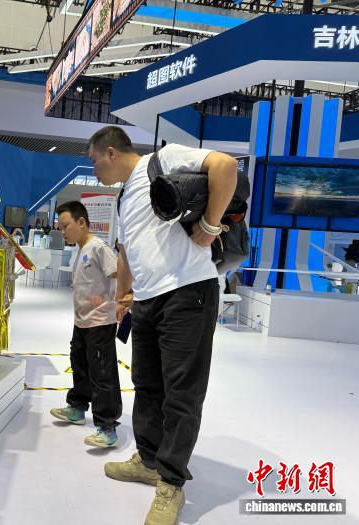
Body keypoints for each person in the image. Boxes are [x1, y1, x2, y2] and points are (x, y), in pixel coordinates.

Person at [88, 126, 237, 525]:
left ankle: (171, 483)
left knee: (182, 392)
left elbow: (225, 166)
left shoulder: (163, 160)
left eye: (95, 162)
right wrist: (123, 296)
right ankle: (149, 460)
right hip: (147, 299)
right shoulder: (124, 198)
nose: (96, 170)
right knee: (147, 383)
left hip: (188, 292)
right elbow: (126, 251)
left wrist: (210, 226)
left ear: (111, 153)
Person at [50, 201, 123, 448]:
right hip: (82, 322)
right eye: (60, 228)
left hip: (100, 322)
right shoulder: (82, 249)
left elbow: (119, 273)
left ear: (81, 222)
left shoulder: (98, 247)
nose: (63, 232)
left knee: (102, 373)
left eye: (65, 226)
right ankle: (77, 408)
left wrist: (118, 301)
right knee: (79, 365)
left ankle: (107, 427)